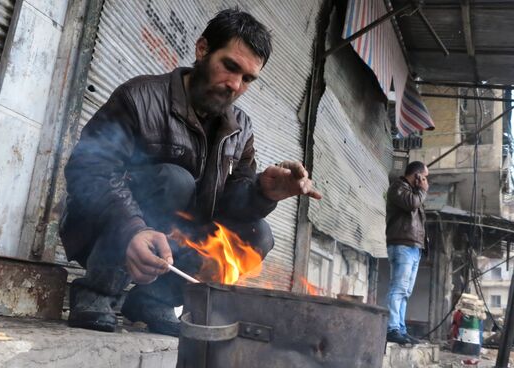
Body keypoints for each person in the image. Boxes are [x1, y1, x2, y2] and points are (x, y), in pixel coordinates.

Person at [60, 8, 322, 336]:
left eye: (248, 79)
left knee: (259, 234)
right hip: (107, 228)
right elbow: (88, 170)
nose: (235, 85)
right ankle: (98, 290)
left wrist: (263, 193)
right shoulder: (140, 96)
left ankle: (153, 300)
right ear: (202, 50)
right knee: (175, 182)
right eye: (230, 67)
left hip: (177, 239)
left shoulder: (241, 128)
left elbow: (230, 208)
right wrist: (132, 230)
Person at [385, 161, 429, 345]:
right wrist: (422, 190)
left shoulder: (413, 193)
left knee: (405, 291)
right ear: (417, 176)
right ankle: (392, 328)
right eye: (424, 177)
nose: (426, 181)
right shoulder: (398, 187)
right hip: (402, 244)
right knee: (399, 288)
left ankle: (400, 329)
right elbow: (411, 204)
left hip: (413, 247)